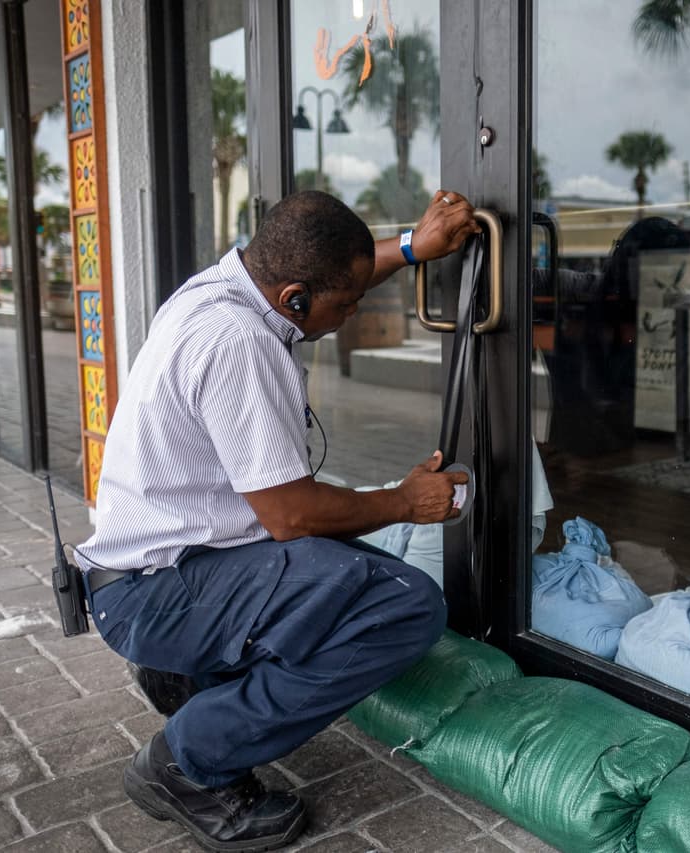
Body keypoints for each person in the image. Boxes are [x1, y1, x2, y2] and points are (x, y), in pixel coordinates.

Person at [74, 189, 479, 851]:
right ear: (294, 297)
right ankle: (189, 761)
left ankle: (191, 675)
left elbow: (332, 272)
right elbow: (292, 515)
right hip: (155, 591)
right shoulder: (240, 344)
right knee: (402, 604)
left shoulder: (226, 287)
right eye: (344, 305)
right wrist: (408, 501)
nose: (351, 314)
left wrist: (411, 248)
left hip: (143, 571)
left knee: (351, 574)